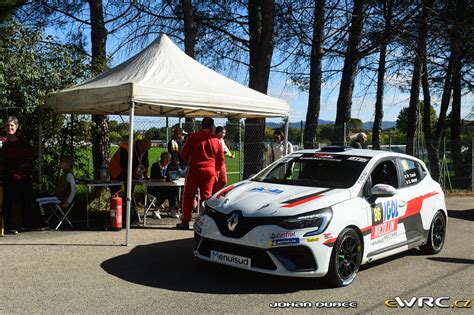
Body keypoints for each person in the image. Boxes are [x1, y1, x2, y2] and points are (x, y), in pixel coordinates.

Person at [178, 117, 224, 229]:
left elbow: (183, 154)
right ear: (212, 126)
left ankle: (185, 221)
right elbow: (221, 159)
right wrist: (216, 171)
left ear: (201, 125)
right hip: (210, 170)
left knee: (189, 196)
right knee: (206, 197)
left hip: (195, 169)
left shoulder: (193, 136)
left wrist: (190, 159)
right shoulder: (217, 140)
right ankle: (205, 222)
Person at [1, 116, 33, 234]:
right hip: (9, 176)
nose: (9, 128)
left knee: (26, 199)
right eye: (7, 126)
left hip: (23, 175)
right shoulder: (2, 141)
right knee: (8, 202)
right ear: (4, 127)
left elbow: (30, 155)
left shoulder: (23, 141)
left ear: (16, 127)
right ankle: (9, 226)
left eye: (12, 126)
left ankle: (24, 224)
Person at [109, 138, 151, 224]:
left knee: (130, 193)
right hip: (116, 171)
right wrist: (135, 175)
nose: (146, 151)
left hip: (129, 173)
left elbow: (145, 163)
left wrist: (145, 176)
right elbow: (125, 167)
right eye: (145, 149)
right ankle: (115, 217)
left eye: (147, 149)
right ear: (141, 144)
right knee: (116, 194)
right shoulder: (126, 149)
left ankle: (130, 217)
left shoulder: (144, 149)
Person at [35, 156, 76, 227]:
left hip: (60, 198)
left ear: (68, 164)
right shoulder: (65, 174)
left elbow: (74, 189)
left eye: (62, 161)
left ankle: (44, 222)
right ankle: (45, 220)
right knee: (39, 196)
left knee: (38, 200)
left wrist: (68, 202)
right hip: (58, 195)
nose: (60, 163)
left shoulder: (69, 175)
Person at [149, 152, 179, 219]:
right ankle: (155, 211)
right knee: (162, 192)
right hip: (154, 186)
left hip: (166, 186)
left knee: (174, 191)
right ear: (162, 159)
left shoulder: (169, 166)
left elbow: (171, 177)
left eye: (169, 160)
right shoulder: (155, 166)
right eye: (166, 160)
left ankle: (172, 210)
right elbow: (153, 178)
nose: (168, 162)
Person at [212, 126, 235, 194]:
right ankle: (213, 195)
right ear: (219, 133)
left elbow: (225, 149)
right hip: (214, 164)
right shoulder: (213, 140)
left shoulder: (222, 140)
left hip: (221, 163)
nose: (224, 135)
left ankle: (214, 194)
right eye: (223, 133)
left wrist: (230, 155)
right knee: (215, 181)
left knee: (223, 181)